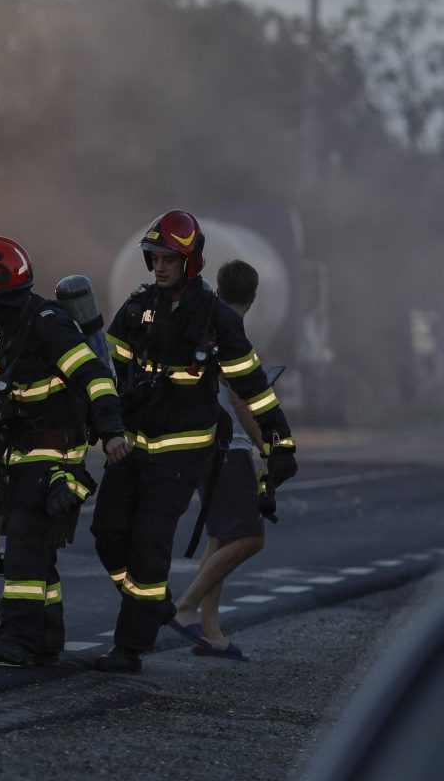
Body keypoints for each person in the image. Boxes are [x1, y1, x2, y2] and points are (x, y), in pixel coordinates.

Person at [93, 210, 298, 674]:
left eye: (169, 258)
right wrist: (106, 427)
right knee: (107, 534)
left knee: (149, 543)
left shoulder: (218, 319)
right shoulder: (137, 306)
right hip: (130, 447)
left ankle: (129, 648)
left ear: (192, 261)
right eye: (155, 258)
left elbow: (253, 386)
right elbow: (106, 371)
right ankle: (154, 604)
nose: (160, 266)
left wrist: (280, 443)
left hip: (180, 455)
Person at [0, 236, 128, 667]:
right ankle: (48, 635)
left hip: (54, 460)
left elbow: (94, 377)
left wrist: (112, 431)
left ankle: (18, 639)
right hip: (20, 455)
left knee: (27, 546)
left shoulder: (48, 323)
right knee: (40, 550)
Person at [169, 259, 269, 660]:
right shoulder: (232, 331)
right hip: (228, 448)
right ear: (254, 297)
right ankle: (185, 606)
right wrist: (266, 444)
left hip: (200, 442)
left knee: (221, 537)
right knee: (250, 538)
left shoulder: (206, 322)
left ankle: (210, 632)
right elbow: (240, 399)